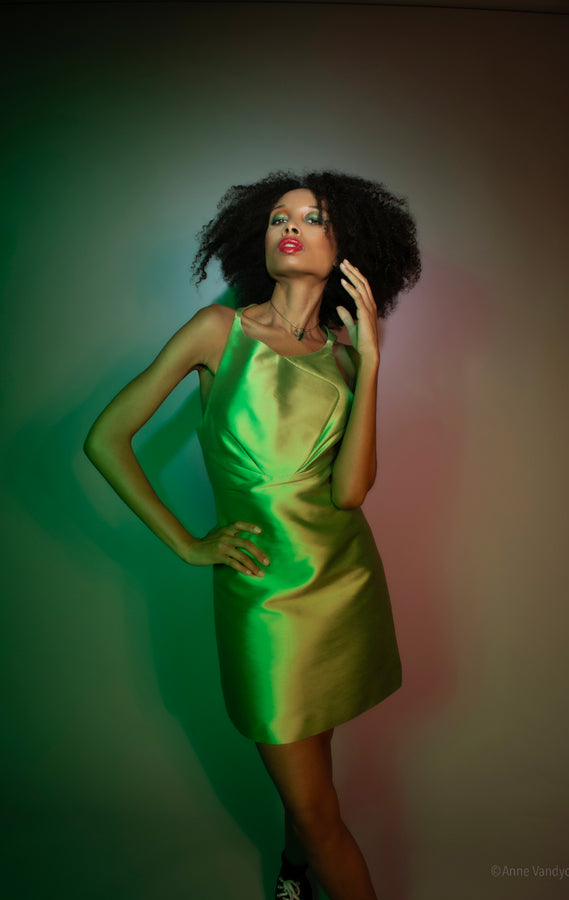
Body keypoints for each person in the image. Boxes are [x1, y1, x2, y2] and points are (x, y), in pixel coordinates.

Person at [84, 170, 420, 900]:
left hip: (342, 583)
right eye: (277, 217)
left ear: (347, 245)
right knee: (319, 808)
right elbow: (107, 436)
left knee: (315, 794)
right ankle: (304, 864)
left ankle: (292, 874)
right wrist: (187, 542)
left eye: (312, 216)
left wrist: (371, 368)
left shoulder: (340, 353)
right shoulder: (219, 332)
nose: (289, 225)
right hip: (264, 597)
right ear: (257, 239)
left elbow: (351, 491)